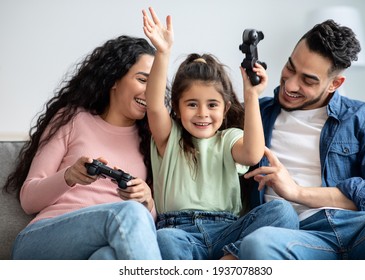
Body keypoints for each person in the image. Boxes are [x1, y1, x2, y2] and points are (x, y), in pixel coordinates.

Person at [141, 7, 299, 260]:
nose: (202, 113)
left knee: (282, 212)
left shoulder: (229, 138)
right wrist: (163, 52)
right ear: (178, 108)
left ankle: (229, 260)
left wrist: (251, 94)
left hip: (227, 230)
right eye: (192, 104)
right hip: (179, 231)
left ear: (225, 109)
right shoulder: (169, 138)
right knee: (164, 239)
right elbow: (154, 105)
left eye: (212, 105)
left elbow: (252, 153)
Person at [239, 19, 365, 259]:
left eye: (308, 80)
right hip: (297, 235)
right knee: (258, 243)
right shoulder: (255, 114)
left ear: (334, 84)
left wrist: (297, 192)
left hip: (361, 228)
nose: (290, 84)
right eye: (290, 67)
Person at [3, 35, 162, 260]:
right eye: (143, 80)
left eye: (156, 83)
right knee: (130, 214)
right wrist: (69, 176)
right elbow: (29, 199)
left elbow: (143, 231)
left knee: (107, 258)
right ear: (114, 78)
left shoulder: (151, 139)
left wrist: (148, 202)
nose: (151, 91)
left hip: (108, 243)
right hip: (44, 239)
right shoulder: (73, 119)